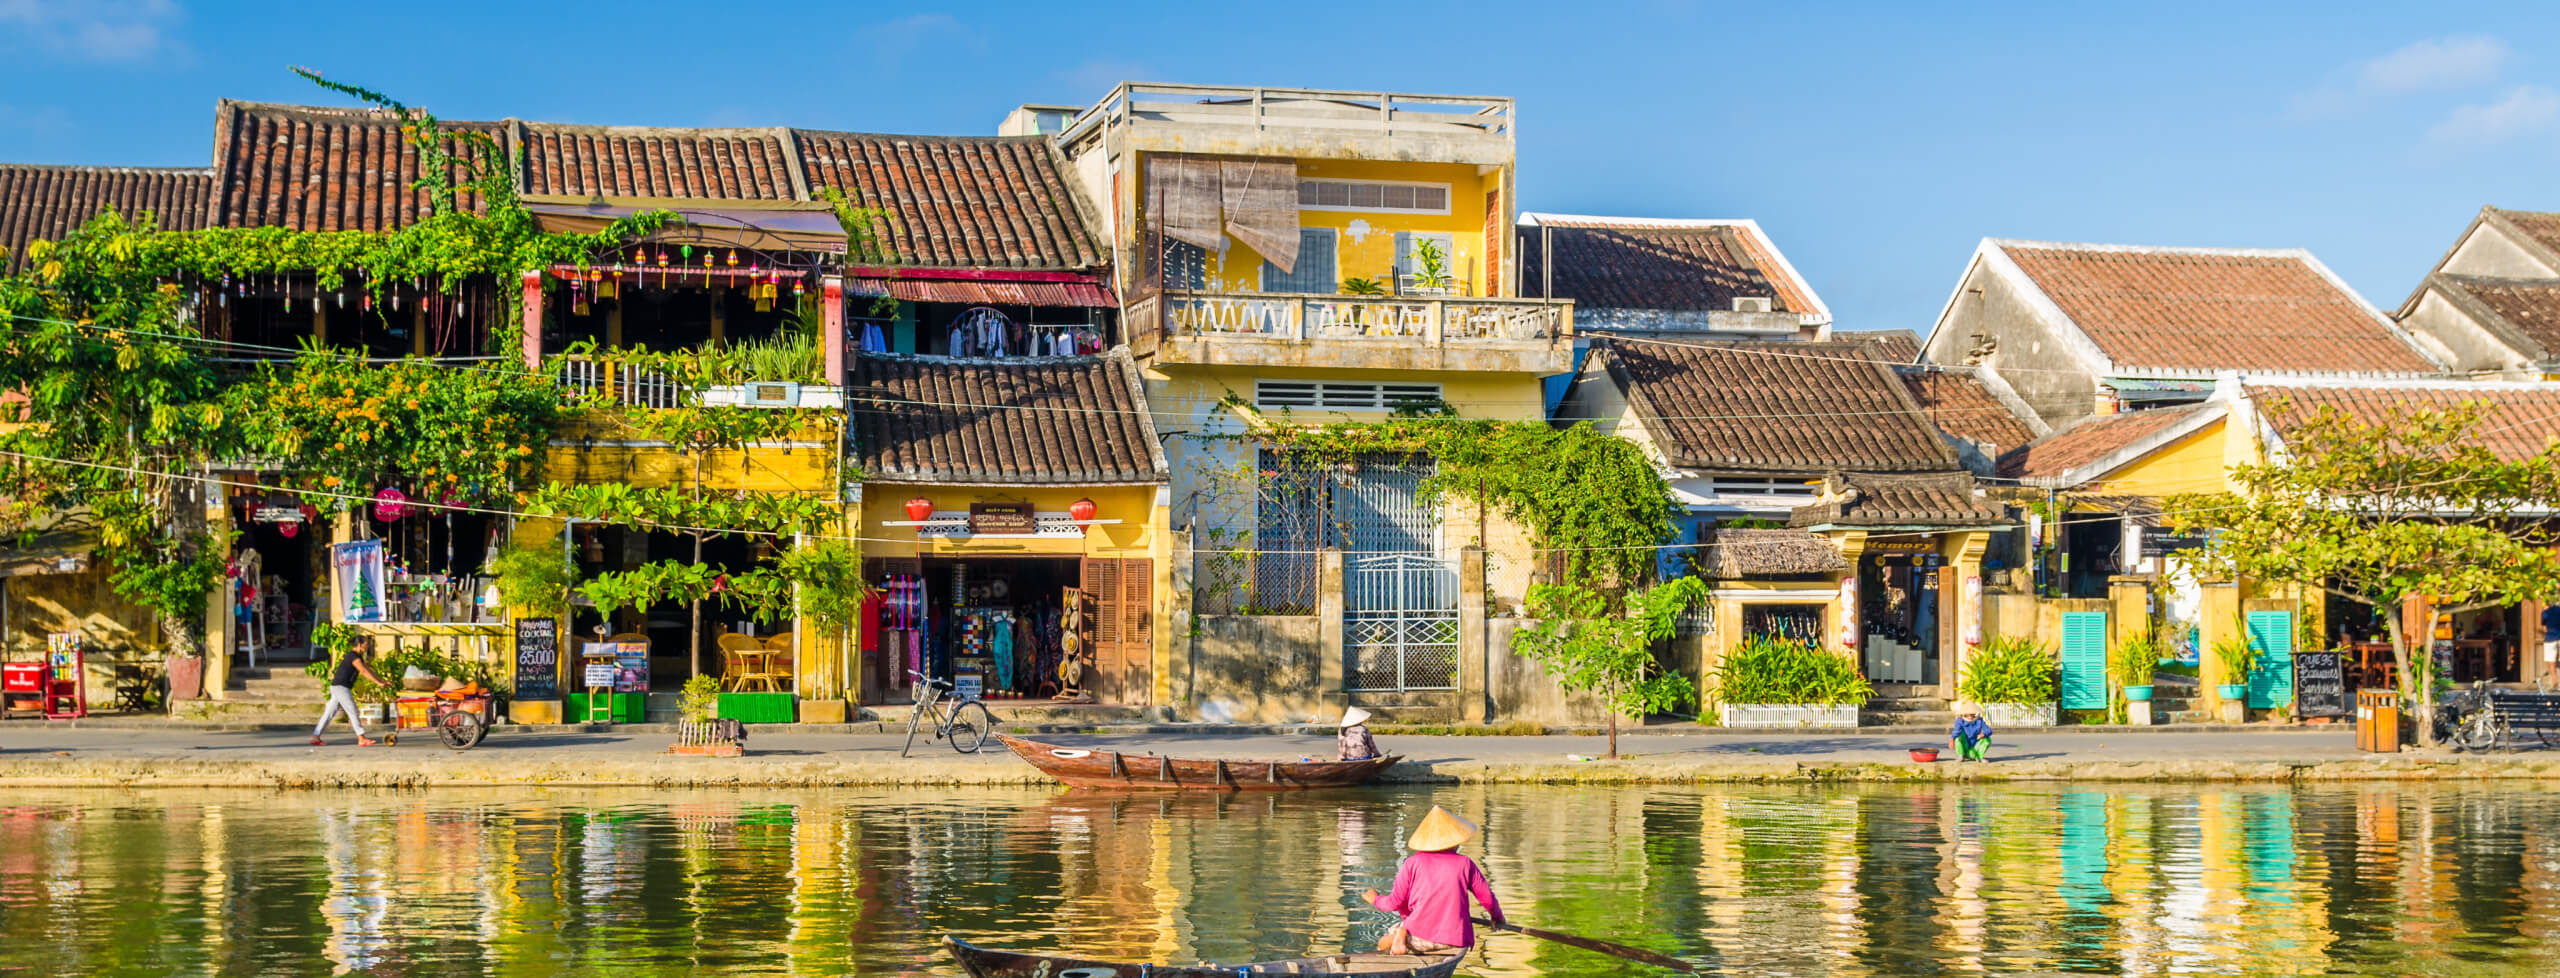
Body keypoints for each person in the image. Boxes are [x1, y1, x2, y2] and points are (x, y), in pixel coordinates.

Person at [1362, 806, 1505, 958]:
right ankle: (1402, 934)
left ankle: (1401, 936)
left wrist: (1375, 899)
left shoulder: (1412, 863)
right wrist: (1497, 918)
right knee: (1401, 928)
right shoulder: (1466, 863)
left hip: (1422, 936)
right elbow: (1487, 898)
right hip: (1456, 939)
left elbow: (1394, 903)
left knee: (1383, 942)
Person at [311, 635, 388, 747]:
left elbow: (368, 670)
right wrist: (378, 683)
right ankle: (361, 738)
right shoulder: (353, 657)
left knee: (329, 713)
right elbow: (363, 671)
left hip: (338, 687)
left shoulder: (357, 657)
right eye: (366, 644)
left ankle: (315, 737)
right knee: (353, 710)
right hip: (341, 687)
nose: (368, 646)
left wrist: (382, 681)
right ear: (359, 644)